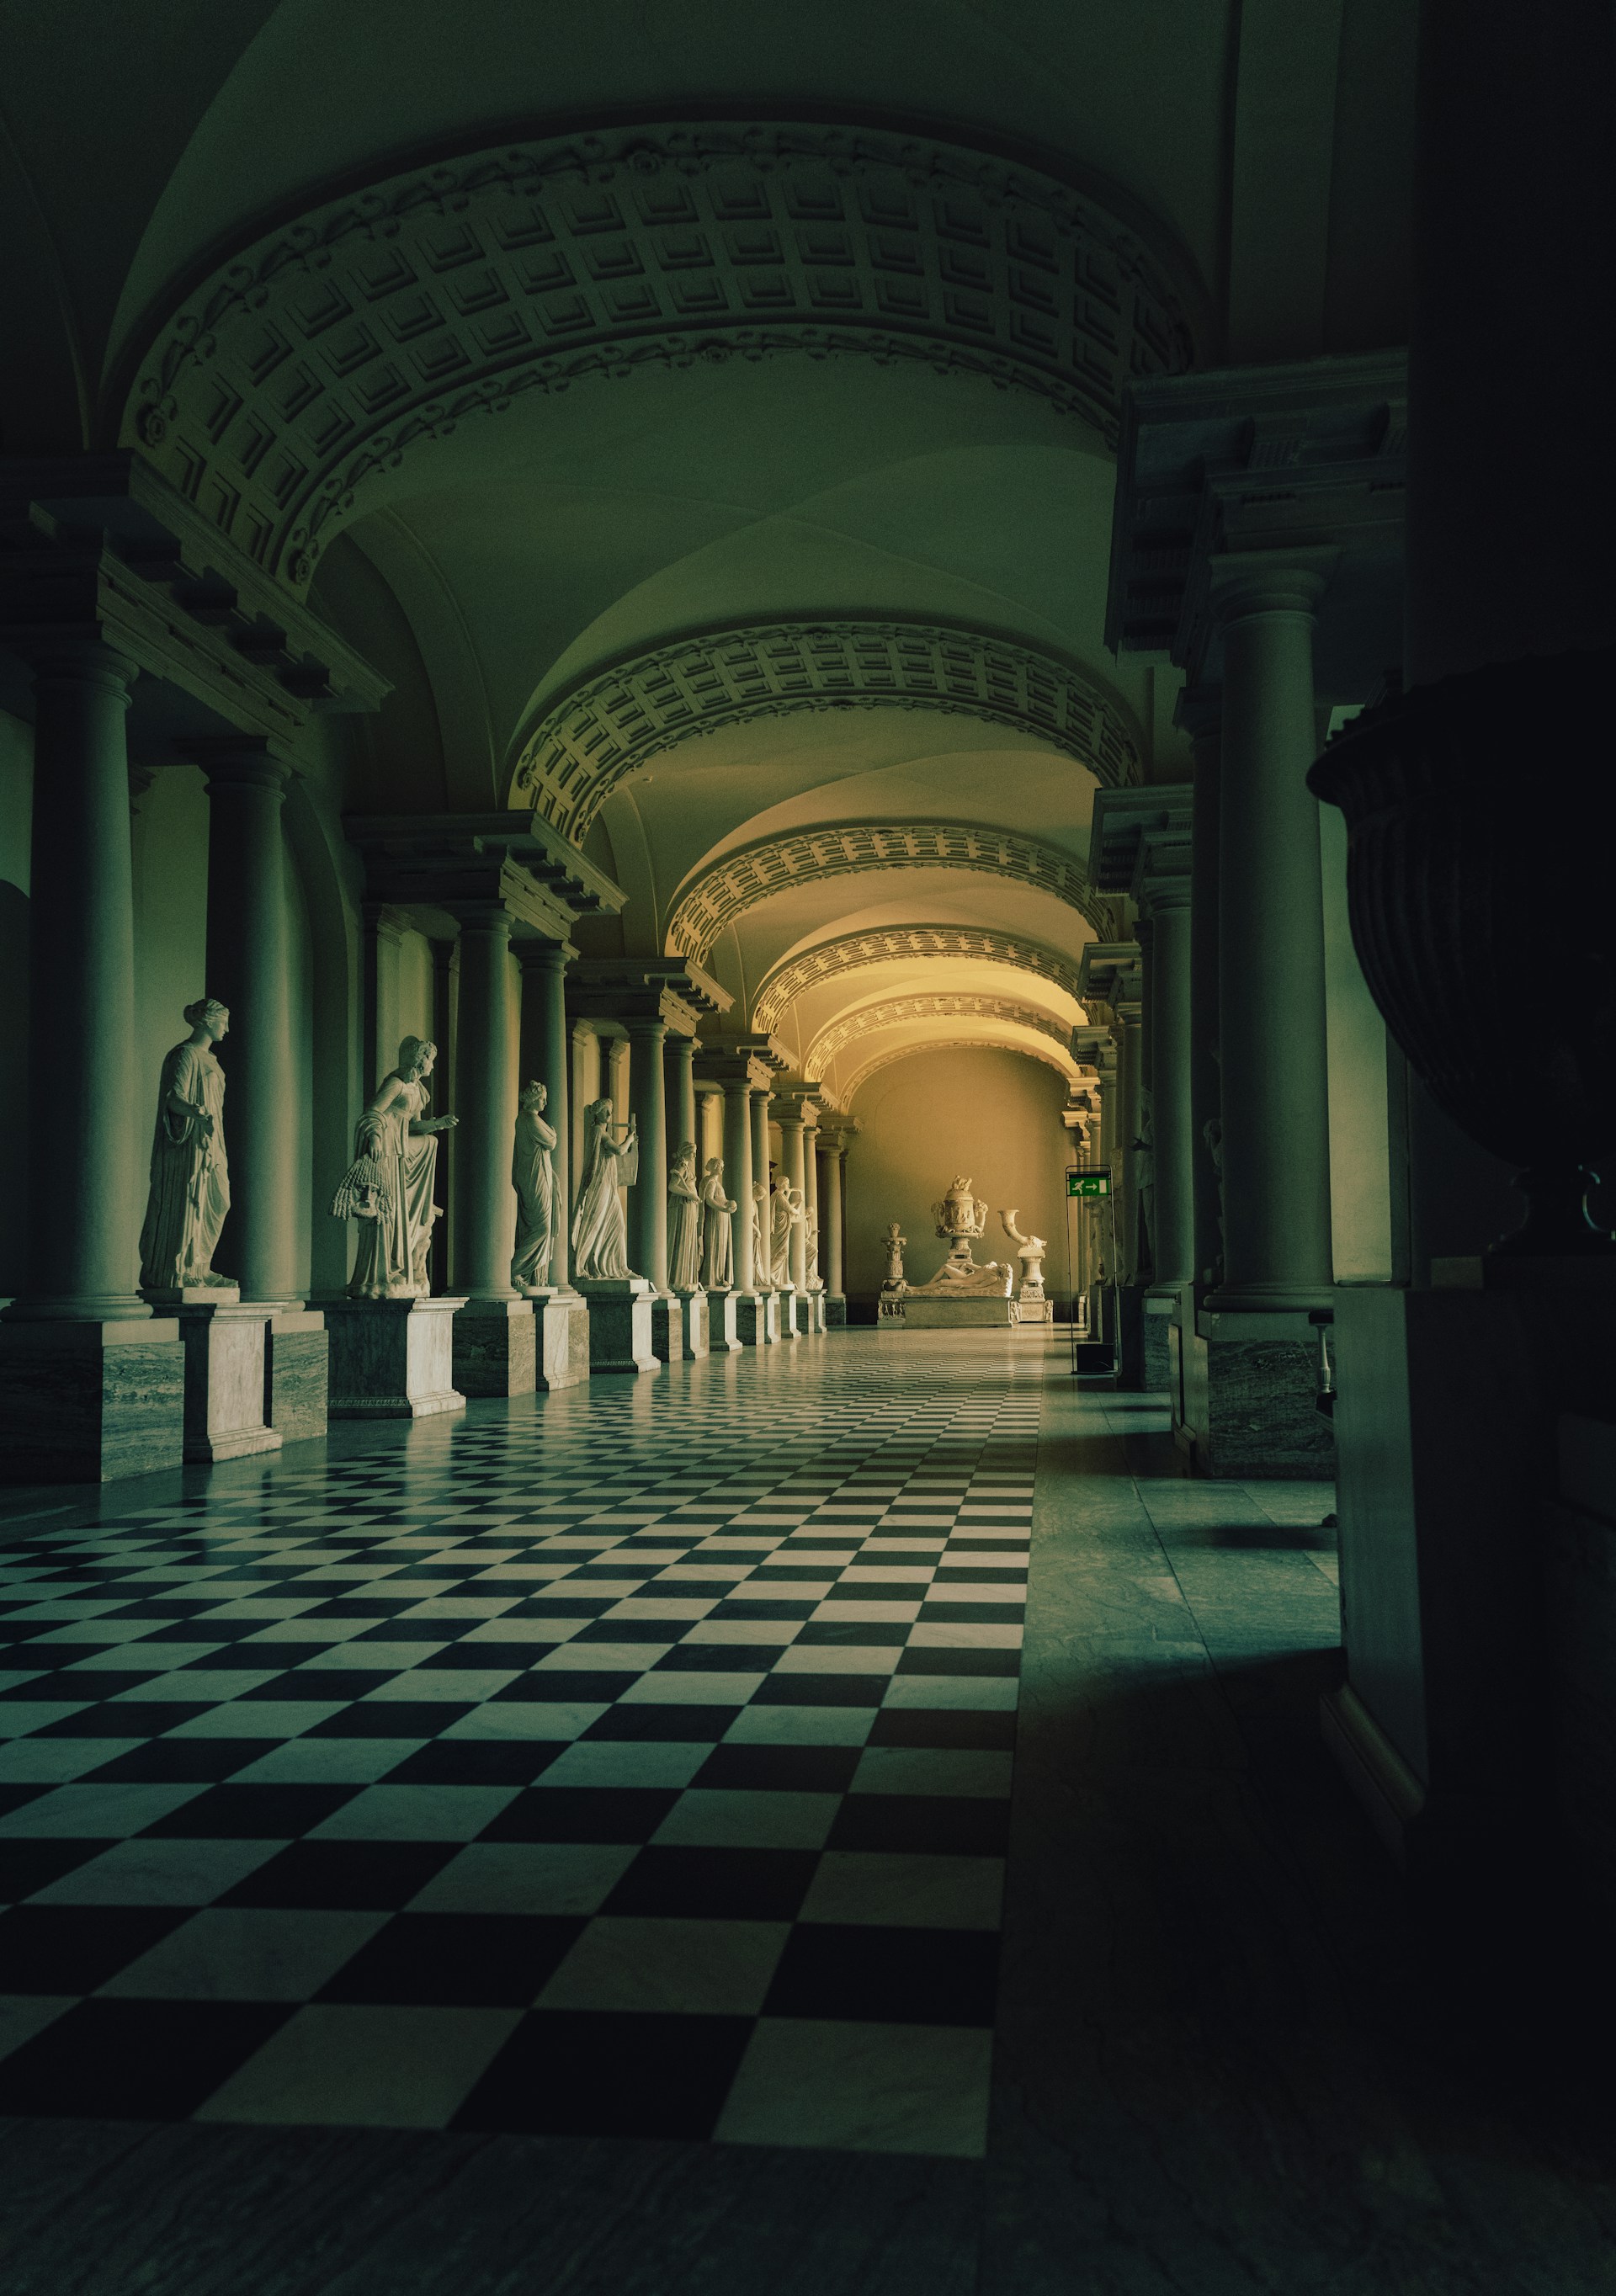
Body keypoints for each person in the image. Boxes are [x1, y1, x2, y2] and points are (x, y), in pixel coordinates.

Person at [336, 1036, 457, 1299]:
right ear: (419, 1059)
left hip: (403, 1150)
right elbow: (373, 1112)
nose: (432, 1067)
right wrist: (376, 1137)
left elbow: (413, 1126)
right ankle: (379, 1275)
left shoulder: (418, 1091)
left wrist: (438, 1124)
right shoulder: (396, 1084)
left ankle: (401, 1269)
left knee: (431, 1143)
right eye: (430, 1061)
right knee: (386, 1215)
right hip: (389, 1149)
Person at [139, 997, 233, 1294]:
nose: (227, 1030)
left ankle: (202, 1266)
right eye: (223, 1022)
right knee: (191, 1201)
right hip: (191, 1146)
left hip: (212, 1142)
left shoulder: (211, 1061)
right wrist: (197, 1112)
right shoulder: (185, 1055)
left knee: (219, 1201)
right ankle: (182, 1270)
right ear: (207, 1021)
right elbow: (173, 1098)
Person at [571, 1098, 638, 1278]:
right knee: (594, 1222)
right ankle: (580, 1265)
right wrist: (629, 1139)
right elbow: (619, 1151)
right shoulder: (597, 1131)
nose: (609, 1114)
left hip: (609, 1185)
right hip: (599, 1182)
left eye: (611, 1111)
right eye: (606, 1111)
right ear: (596, 1113)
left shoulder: (603, 1133)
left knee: (618, 1224)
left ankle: (619, 1268)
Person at [511, 1080, 557, 1291]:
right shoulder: (530, 1119)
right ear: (532, 1099)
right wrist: (553, 1132)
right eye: (542, 1098)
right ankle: (516, 1268)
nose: (545, 1102)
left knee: (538, 1225)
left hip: (536, 1174)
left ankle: (530, 1273)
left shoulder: (528, 1119)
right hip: (534, 1176)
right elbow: (551, 1141)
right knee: (542, 1226)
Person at [667, 1139, 704, 1290]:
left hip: (689, 1207)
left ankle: (686, 1277)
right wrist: (690, 1195)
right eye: (693, 1152)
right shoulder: (681, 1166)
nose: (695, 1155)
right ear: (686, 1152)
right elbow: (672, 1186)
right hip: (682, 1205)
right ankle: (678, 1278)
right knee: (682, 1239)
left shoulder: (687, 1167)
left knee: (688, 1240)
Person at [699, 1155, 736, 1289]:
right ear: (714, 1167)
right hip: (715, 1217)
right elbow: (708, 1199)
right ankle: (711, 1278)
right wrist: (724, 1208)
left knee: (721, 1247)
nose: (722, 1168)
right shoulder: (710, 1181)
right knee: (714, 1246)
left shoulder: (716, 1182)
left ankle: (719, 1277)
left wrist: (729, 1204)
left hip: (722, 1217)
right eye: (720, 1166)